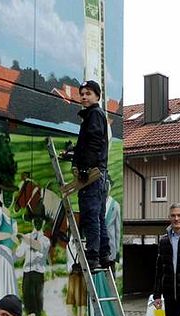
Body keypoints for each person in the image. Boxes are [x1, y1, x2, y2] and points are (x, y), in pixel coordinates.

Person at [73, 80, 109, 270]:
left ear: (97, 96)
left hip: (93, 174)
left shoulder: (94, 114)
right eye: (82, 94)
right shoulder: (96, 115)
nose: (84, 97)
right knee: (99, 216)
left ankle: (92, 257)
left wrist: (85, 167)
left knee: (90, 215)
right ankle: (104, 255)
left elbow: (94, 142)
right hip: (100, 173)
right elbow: (92, 143)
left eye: (88, 93)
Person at [15, 218, 51, 316]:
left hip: (38, 275)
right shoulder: (27, 237)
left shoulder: (45, 240)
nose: (37, 223)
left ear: (43, 222)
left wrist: (23, 238)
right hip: (27, 274)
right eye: (36, 220)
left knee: (38, 308)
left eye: (39, 220)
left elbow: (38, 246)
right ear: (32, 222)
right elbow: (19, 254)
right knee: (29, 307)